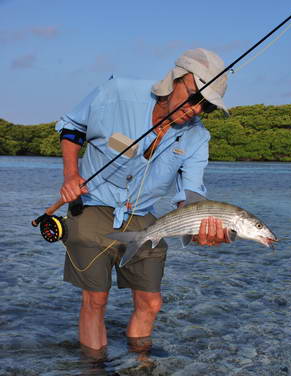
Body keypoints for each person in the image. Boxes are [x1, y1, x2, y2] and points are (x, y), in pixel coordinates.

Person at [56, 48, 231, 353]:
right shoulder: (117, 92)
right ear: (177, 78)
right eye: (194, 97)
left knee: (151, 301)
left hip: (142, 213)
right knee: (96, 298)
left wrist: (199, 225)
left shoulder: (198, 138)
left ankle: (139, 368)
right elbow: (72, 127)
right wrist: (71, 175)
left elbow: (189, 196)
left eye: (207, 106)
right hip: (93, 202)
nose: (196, 110)